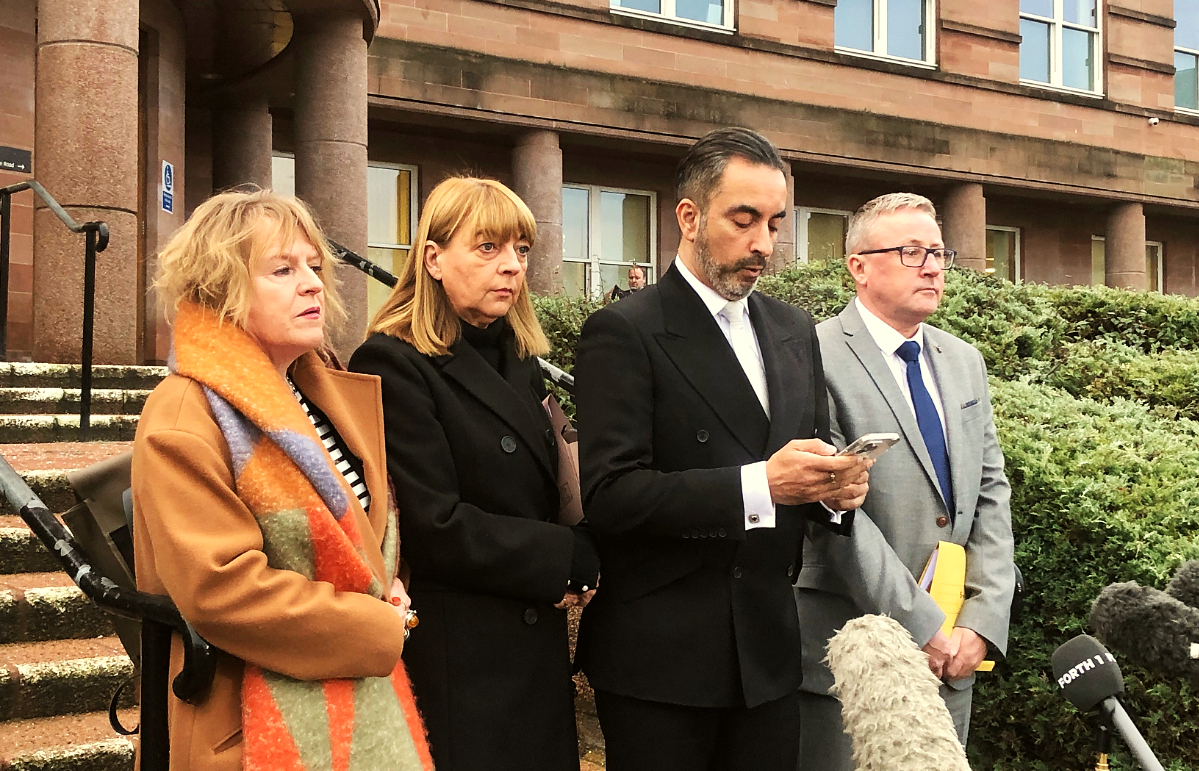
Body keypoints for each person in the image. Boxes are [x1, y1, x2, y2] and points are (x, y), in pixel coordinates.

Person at [573, 127, 872, 771]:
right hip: (661, 666)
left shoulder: (792, 328)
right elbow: (611, 495)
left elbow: (804, 469)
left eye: (775, 222)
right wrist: (763, 484)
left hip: (767, 658)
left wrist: (836, 493)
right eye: (744, 219)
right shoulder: (625, 330)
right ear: (689, 216)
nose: (763, 243)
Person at [131, 189, 432, 771]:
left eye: (314, 267)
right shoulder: (184, 414)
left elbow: (365, 540)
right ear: (220, 289)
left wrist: (388, 590)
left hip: (357, 702)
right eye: (283, 269)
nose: (314, 283)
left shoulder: (320, 390)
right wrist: (374, 624)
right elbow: (222, 589)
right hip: (246, 718)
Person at [349, 176, 599, 771]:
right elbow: (435, 525)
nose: (511, 266)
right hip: (463, 657)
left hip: (531, 650)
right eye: (488, 248)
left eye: (520, 250)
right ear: (432, 259)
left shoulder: (516, 355)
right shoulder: (392, 361)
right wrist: (564, 554)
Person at [795, 193, 1015, 768]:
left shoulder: (963, 359)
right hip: (858, 651)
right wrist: (923, 624)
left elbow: (990, 490)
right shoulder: (810, 355)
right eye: (911, 250)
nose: (933, 266)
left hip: (955, 655)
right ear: (858, 267)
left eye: (939, 251)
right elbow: (830, 513)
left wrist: (982, 621)